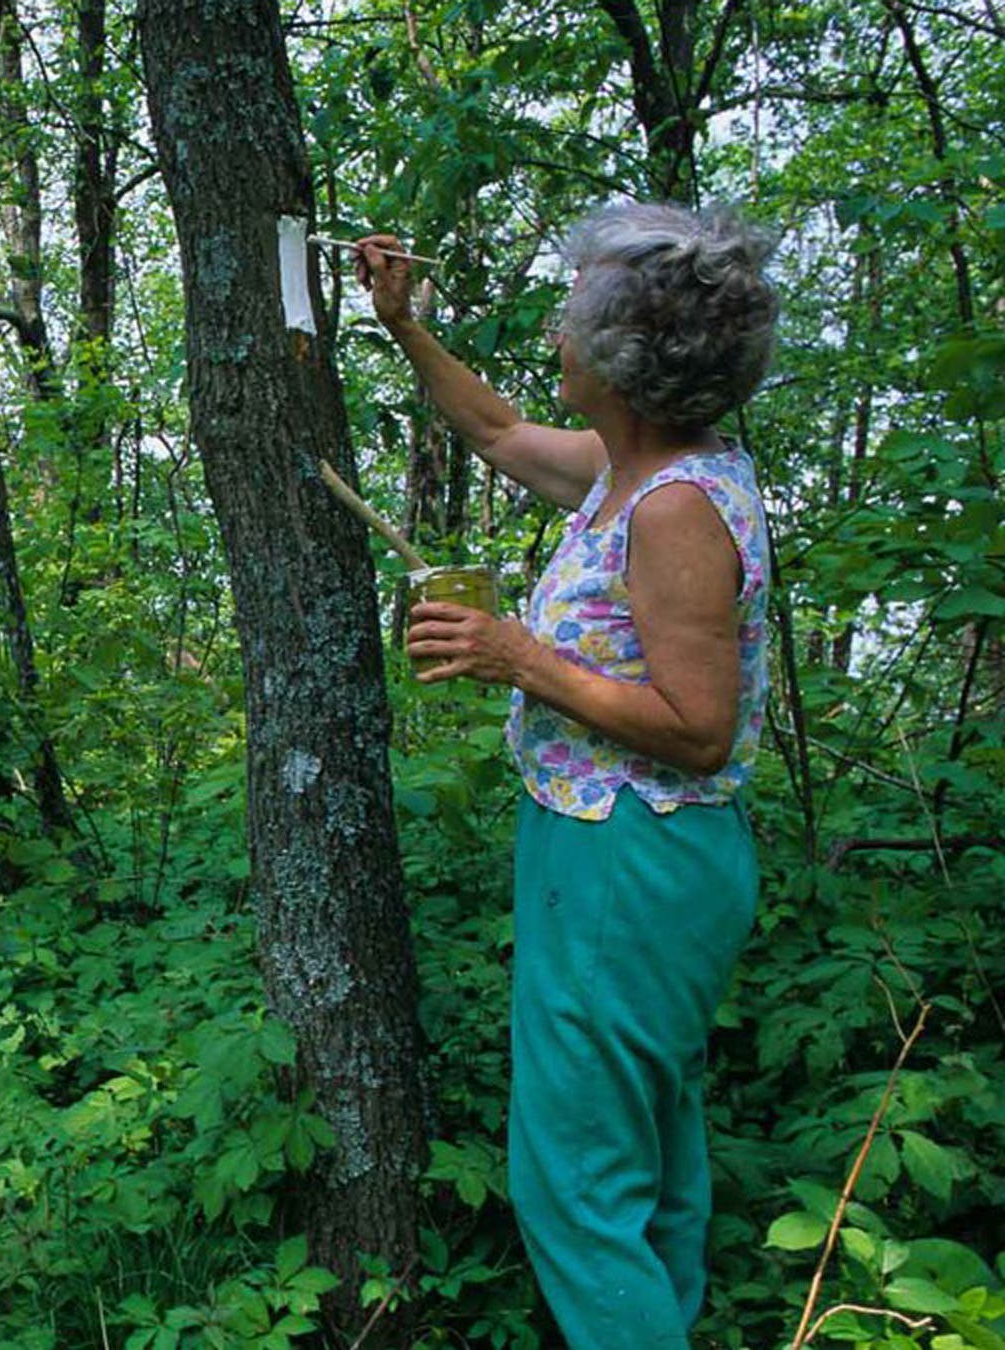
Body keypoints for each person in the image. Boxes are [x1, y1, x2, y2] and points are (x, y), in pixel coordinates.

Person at [356, 201, 780, 1347]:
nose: (556, 334)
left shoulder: (676, 510)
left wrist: (518, 658)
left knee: (575, 1185)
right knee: (648, 1146)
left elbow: (699, 728)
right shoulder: (634, 469)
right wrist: (404, 327)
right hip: (627, 846)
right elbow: (498, 433)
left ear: (628, 360)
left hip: (629, 857)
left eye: (574, 317)